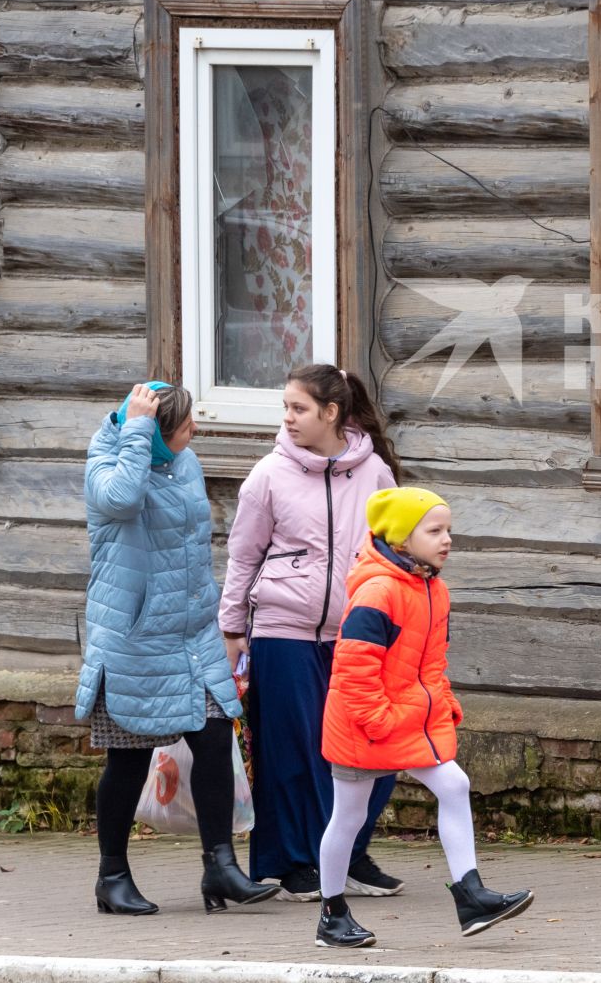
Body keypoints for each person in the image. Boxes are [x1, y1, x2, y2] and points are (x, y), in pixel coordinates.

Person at [78, 381, 279, 916]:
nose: (196, 431)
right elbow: (122, 500)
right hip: (134, 642)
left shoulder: (183, 460)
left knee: (214, 738)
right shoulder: (104, 464)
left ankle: (221, 867)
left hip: (192, 635)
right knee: (130, 761)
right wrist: (138, 431)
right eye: (186, 424)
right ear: (156, 433)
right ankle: (112, 876)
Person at [312, 487, 534, 949]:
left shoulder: (434, 588)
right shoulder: (378, 592)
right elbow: (353, 670)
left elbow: (432, 661)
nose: (446, 539)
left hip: (407, 719)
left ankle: (471, 896)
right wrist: (378, 722)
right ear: (401, 539)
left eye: (448, 529)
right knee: (349, 816)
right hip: (364, 723)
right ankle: (332, 915)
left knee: (454, 785)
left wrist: (443, 701)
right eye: (434, 531)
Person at [217, 364, 403, 901]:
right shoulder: (268, 475)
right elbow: (242, 557)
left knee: (375, 746)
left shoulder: (375, 475)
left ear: (331, 413)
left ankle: (349, 851)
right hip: (283, 631)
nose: (288, 418)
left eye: (298, 408)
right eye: (286, 408)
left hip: (359, 634)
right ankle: (295, 863)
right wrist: (232, 627)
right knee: (294, 752)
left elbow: (393, 553)